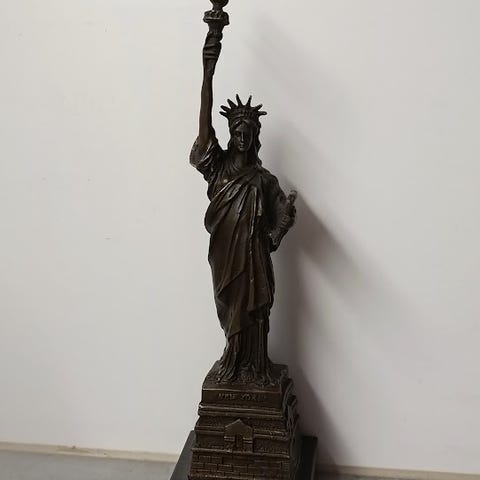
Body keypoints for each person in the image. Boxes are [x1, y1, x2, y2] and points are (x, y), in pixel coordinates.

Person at [190, 26, 296, 384]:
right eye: (236, 132)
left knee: (255, 311)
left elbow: (281, 213)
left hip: (254, 259)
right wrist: (208, 72)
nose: (241, 137)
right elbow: (204, 125)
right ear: (230, 134)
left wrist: (276, 232)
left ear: (254, 138)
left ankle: (255, 367)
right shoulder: (216, 167)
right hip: (225, 256)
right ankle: (233, 362)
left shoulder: (264, 180)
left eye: (247, 133)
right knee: (230, 308)